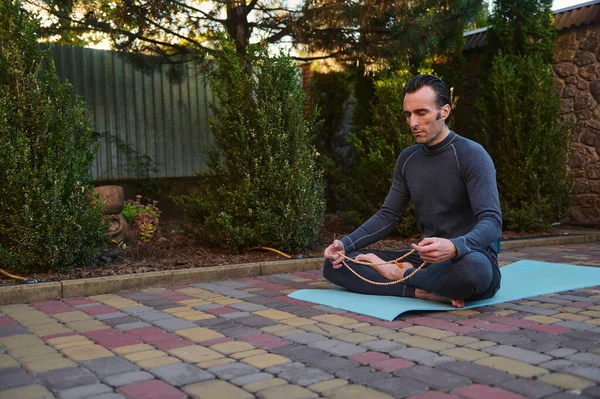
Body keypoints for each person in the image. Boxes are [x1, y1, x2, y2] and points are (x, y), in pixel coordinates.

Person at [323, 74, 502, 308]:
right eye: (408, 114)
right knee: (337, 264)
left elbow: (492, 222)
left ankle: (399, 276)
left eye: (421, 113)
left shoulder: (472, 155)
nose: (412, 123)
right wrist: (345, 244)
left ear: (444, 111)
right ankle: (420, 291)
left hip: (467, 256)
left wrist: (455, 246)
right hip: (424, 260)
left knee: (472, 272)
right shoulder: (408, 159)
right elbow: (388, 215)